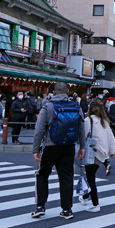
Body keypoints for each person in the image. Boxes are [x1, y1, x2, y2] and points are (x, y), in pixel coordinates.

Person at [32, 82, 86, 220]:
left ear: (54, 93)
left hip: (50, 145)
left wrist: (36, 149)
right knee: (66, 177)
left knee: (42, 174)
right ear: (68, 92)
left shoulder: (48, 106)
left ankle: (40, 207)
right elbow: (81, 129)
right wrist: (82, 147)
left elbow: (39, 130)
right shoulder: (76, 107)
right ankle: (67, 209)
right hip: (69, 146)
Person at [79, 99, 115, 212]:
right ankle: (85, 197)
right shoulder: (104, 121)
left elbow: (83, 136)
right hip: (101, 153)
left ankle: (95, 204)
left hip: (91, 151)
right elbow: (110, 137)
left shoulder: (88, 120)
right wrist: (112, 151)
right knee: (91, 175)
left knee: (91, 178)